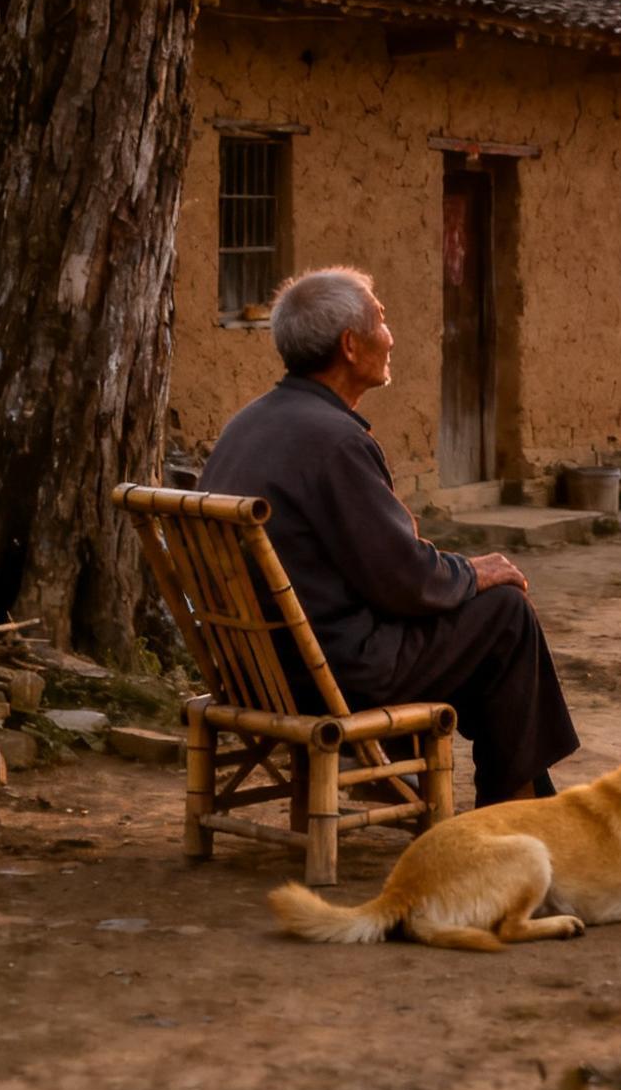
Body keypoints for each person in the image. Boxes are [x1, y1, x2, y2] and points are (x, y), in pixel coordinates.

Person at [200, 266, 579, 805]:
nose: (392, 334)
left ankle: (513, 794)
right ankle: (512, 807)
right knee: (504, 616)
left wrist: (454, 576)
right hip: (329, 676)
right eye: (381, 319)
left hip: (254, 667)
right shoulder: (334, 442)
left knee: (473, 623)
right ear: (350, 346)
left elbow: (382, 567)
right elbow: (403, 579)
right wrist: (474, 571)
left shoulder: (250, 422)